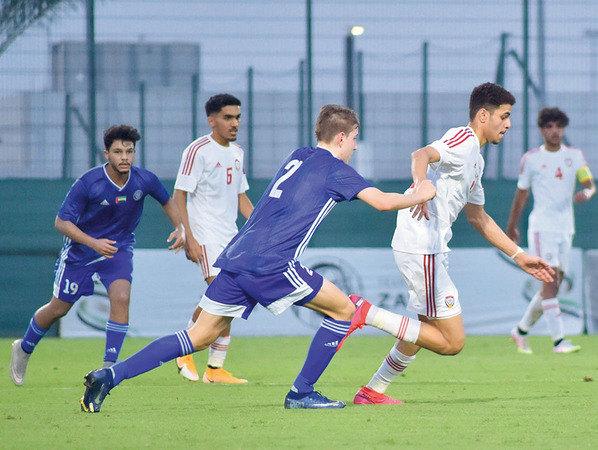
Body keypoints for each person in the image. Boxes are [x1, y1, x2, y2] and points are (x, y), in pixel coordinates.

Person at [81, 104, 530, 412]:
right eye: (355, 139)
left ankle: (110, 376)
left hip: (238, 256)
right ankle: (302, 392)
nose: (356, 147)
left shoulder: (298, 156)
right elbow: (381, 202)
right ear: (341, 137)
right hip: (273, 262)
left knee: (197, 336)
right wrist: (423, 191)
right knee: (344, 310)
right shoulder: (337, 168)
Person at [352, 82, 555, 405]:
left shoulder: (477, 160)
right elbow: (421, 154)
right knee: (452, 342)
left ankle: (373, 391)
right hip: (423, 245)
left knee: (424, 329)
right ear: (484, 115)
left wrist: (519, 255)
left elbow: (479, 218)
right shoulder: (463, 139)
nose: (508, 124)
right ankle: (367, 313)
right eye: (504, 116)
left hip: (425, 246)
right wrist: (421, 187)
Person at [9, 125, 184, 386]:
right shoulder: (89, 183)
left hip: (118, 248)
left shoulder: (144, 180)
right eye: (118, 152)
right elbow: (61, 222)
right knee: (59, 308)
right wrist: (94, 243)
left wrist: (180, 227)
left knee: (121, 298)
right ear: (106, 154)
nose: (124, 157)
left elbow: (166, 200)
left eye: (129, 151)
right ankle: (24, 348)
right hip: (81, 252)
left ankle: (107, 372)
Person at [173, 94, 254, 384]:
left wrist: (262, 229)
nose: (235, 123)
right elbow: (179, 195)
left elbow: (241, 197)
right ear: (212, 120)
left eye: (237, 117)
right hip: (205, 235)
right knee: (222, 294)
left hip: (231, 238)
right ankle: (184, 349)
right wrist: (188, 236)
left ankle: (215, 369)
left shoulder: (238, 152)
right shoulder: (198, 150)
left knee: (231, 298)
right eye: (227, 117)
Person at [507, 107, 596, 354]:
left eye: (558, 126)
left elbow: (589, 184)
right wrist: (512, 225)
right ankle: (559, 341)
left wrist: (587, 193)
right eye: (549, 126)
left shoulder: (575, 156)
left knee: (553, 287)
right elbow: (521, 194)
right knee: (549, 283)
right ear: (541, 130)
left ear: (564, 128)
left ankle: (520, 331)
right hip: (542, 228)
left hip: (566, 228)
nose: (554, 131)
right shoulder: (531, 159)